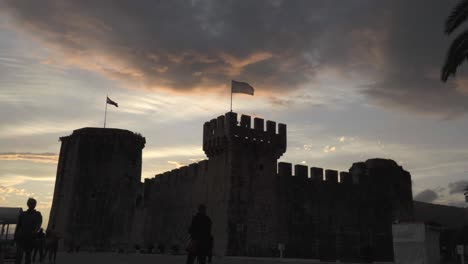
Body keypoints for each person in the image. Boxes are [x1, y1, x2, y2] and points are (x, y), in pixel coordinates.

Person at [14, 198, 43, 264]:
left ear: (35, 205)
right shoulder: (23, 214)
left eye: (33, 203)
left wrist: (35, 231)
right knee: (19, 255)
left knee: (28, 255)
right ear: (27, 204)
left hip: (30, 237)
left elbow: (39, 224)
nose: (31, 205)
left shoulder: (38, 214)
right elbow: (18, 225)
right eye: (30, 203)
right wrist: (15, 236)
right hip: (21, 237)